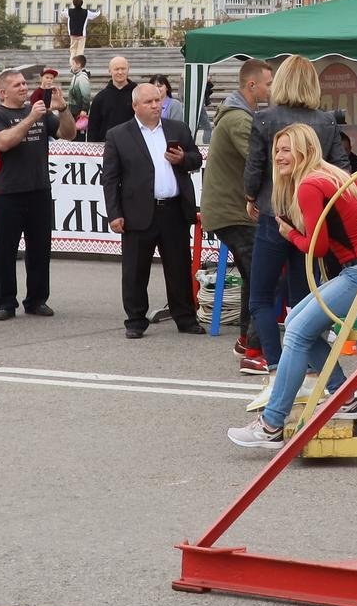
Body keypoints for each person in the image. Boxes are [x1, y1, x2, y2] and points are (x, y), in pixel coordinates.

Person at [226, 124, 357, 447]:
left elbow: (316, 248)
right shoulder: (332, 176)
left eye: (286, 149)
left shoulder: (308, 185)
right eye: (277, 150)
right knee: (294, 323)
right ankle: (343, 399)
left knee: (296, 330)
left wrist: (289, 233)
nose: (279, 156)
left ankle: (271, 424)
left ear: (304, 151)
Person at [241, 56, 344, 371]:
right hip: (309, 218)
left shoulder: (264, 119)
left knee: (260, 297)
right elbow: (341, 169)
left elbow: (255, 167)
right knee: (302, 298)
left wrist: (250, 197)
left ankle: (274, 362)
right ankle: (308, 364)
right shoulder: (327, 122)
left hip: (274, 212)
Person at [104, 80, 203, 337]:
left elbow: (196, 158)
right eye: (149, 102)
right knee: (135, 270)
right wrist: (114, 213)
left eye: (158, 100)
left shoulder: (177, 128)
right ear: (135, 105)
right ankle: (135, 321)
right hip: (137, 212)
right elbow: (111, 179)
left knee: (179, 267)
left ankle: (185, 317)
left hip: (173, 210)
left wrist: (183, 159)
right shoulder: (118, 135)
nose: (155, 106)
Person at [0, 68, 59, 320]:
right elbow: (3, 142)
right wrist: (30, 119)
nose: (24, 88)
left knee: (40, 249)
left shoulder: (38, 111)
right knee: (5, 250)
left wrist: (64, 108)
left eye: (25, 83)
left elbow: (68, 133)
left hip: (39, 190)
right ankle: (5, 302)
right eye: (17, 85)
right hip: (9, 192)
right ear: (2, 91)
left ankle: (37, 299)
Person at [204, 60, 265, 371]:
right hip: (232, 211)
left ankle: (246, 338)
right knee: (261, 277)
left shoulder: (237, 114)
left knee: (253, 275)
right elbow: (259, 161)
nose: (270, 89)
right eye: (267, 84)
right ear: (251, 86)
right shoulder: (240, 120)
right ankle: (255, 351)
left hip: (228, 209)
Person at [86, 54, 138, 144]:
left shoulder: (138, 94)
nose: (120, 72)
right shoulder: (100, 98)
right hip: (108, 146)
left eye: (123, 68)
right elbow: (93, 128)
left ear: (128, 69)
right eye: (116, 69)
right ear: (110, 71)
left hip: (133, 144)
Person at [64, 0, 93, 67]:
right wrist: (99, 11)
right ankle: (79, 65)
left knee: (73, 50)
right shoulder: (86, 12)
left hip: (73, 34)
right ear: (82, 3)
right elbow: (94, 15)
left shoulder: (69, 11)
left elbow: (63, 13)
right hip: (81, 35)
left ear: (73, 3)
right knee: (80, 51)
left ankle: (72, 64)